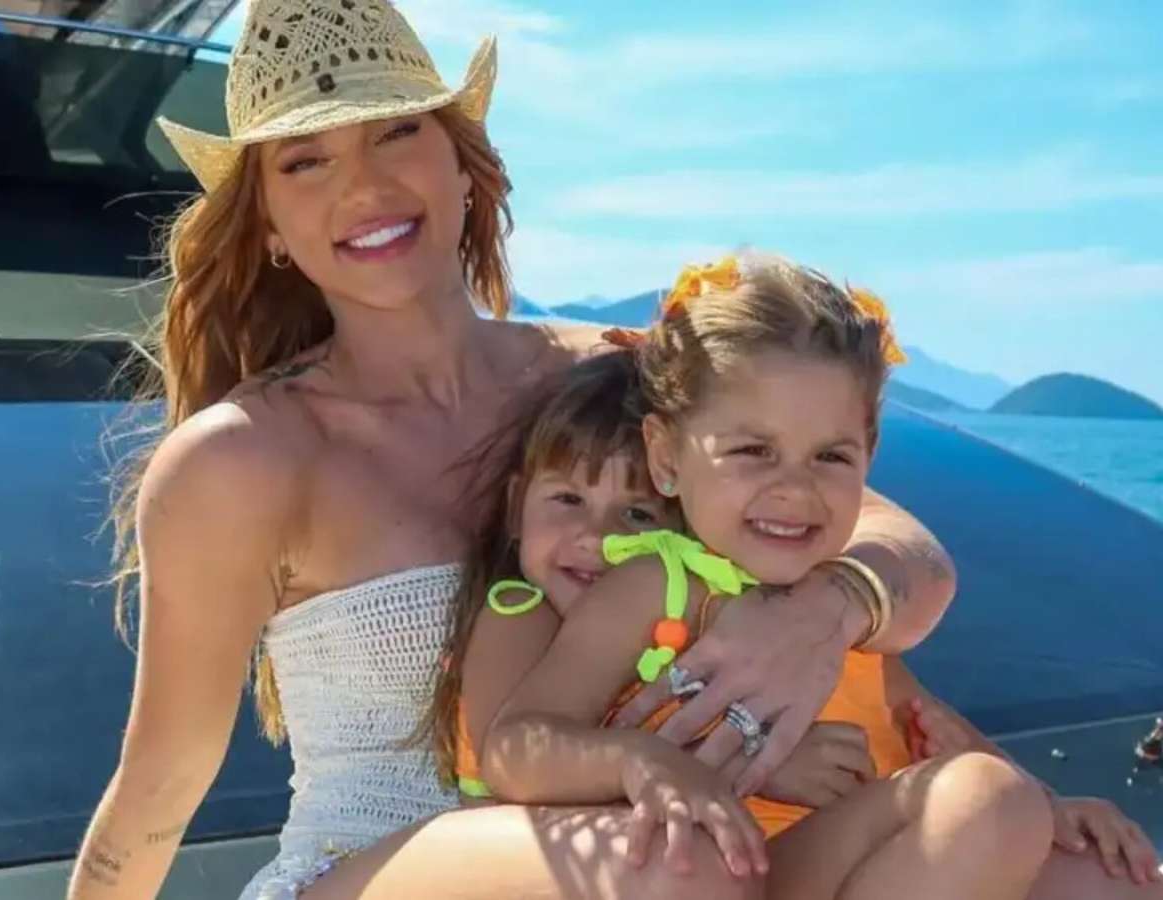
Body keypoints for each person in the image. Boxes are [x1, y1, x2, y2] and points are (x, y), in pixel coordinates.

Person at [67, 3, 958, 898]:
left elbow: (909, 559)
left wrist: (827, 611)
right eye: (305, 161)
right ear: (267, 224)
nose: (364, 186)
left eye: (396, 132)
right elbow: (161, 786)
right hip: (373, 870)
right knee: (668, 858)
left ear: (465, 165)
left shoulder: (612, 379)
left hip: (673, 851)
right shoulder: (241, 458)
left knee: (1014, 834)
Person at [473, 253, 1054, 899]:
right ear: (667, 457)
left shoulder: (836, 604)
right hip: (723, 867)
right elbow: (514, 749)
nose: (794, 489)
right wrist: (654, 763)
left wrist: (1054, 807)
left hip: (824, 861)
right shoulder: (654, 588)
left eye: (830, 456)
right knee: (990, 801)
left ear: (869, 459)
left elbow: (923, 717)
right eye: (754, 451)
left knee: (1043, 832)